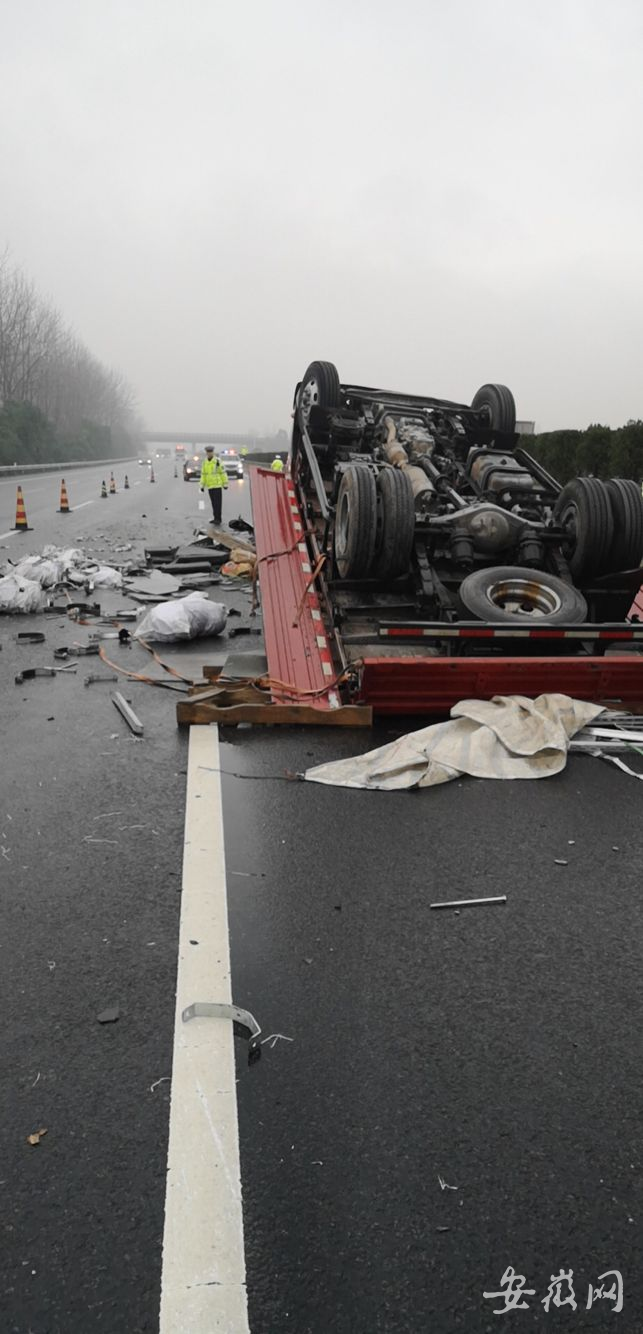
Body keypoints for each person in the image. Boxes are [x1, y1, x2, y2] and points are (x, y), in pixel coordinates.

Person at [200, 445, 228, 523]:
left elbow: (223, 473)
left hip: (217, 485)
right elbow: (203, 474)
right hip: (210, 486)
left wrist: (225, 484)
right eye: (208, 452)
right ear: (206, 453)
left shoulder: (218, 461)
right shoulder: (205, 462)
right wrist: (202, 485)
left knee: (218, 503)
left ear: (213, 452)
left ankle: (218, 519)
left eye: (211, 452)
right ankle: (215, 517)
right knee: (213, 503)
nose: (209, 453)